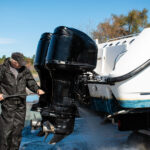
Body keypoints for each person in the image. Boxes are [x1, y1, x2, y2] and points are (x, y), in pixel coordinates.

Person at [0, 52, 45, 150]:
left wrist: (36, 89)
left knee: (18, 130)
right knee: (6, 130)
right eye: (19, 63)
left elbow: (30, 81)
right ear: (13, 61)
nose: (21, 65)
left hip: (21, 103)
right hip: (8, 103)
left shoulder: (24, 70)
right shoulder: (2, 69)